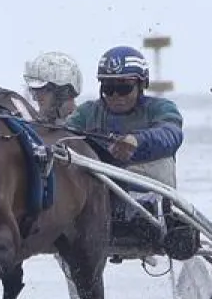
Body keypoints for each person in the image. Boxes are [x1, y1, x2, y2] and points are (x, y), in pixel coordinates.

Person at [66, 45, 196, 259]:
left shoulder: (161, 108)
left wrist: (138, 141)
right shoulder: (87, 113)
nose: (116, 96)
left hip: (148, 203)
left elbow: (171, 134)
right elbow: (63, 135)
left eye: (124, 88)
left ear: (141, 85)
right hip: (98, 200)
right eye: (109, 88)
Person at [23, 51, 83, 123]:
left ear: (63, 92)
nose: (35, 98)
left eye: (43, 90)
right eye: (34, 91)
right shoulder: (35, 125)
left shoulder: (86, 124)